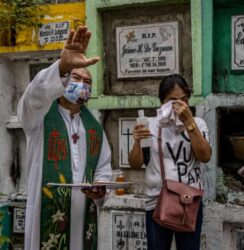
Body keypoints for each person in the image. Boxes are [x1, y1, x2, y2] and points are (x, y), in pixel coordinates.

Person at [18, 26, 112, 250]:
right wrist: (62, 66)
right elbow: (33, 96)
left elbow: (103, 167)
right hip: (46, 217)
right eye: (76, 76)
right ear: (62, 81)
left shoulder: (94, 129)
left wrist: (100, 187)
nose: (82, 85)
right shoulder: (39, 118)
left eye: (88, 82)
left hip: (82, 223)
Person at [128, 74, 212, 250]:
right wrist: (137, 142)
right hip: (156, 201)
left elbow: (205, 156)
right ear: (162, 103)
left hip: (189, 202)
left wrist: (189, 122)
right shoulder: (150, 125)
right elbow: (135, 164)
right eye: (172, 100)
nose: (178, 105)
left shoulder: (198, 124)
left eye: (183, 100)